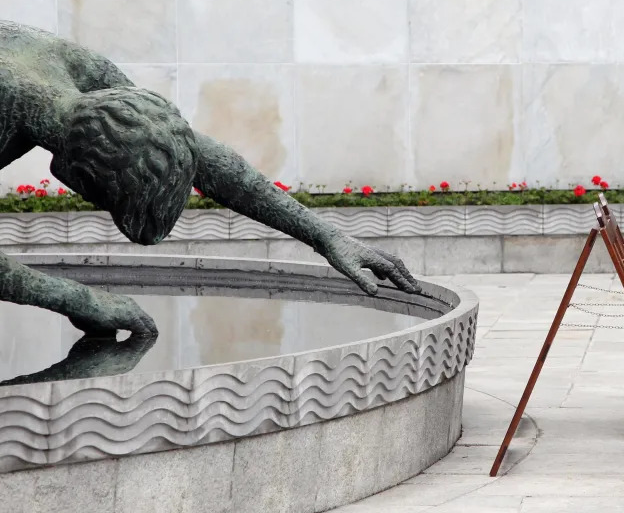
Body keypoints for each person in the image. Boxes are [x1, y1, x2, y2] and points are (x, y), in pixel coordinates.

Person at [0, 21, 420, 336]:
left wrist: (326, 235)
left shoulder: (81, 73)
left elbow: (205, 158)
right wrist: (79, 299)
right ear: (78, 176)